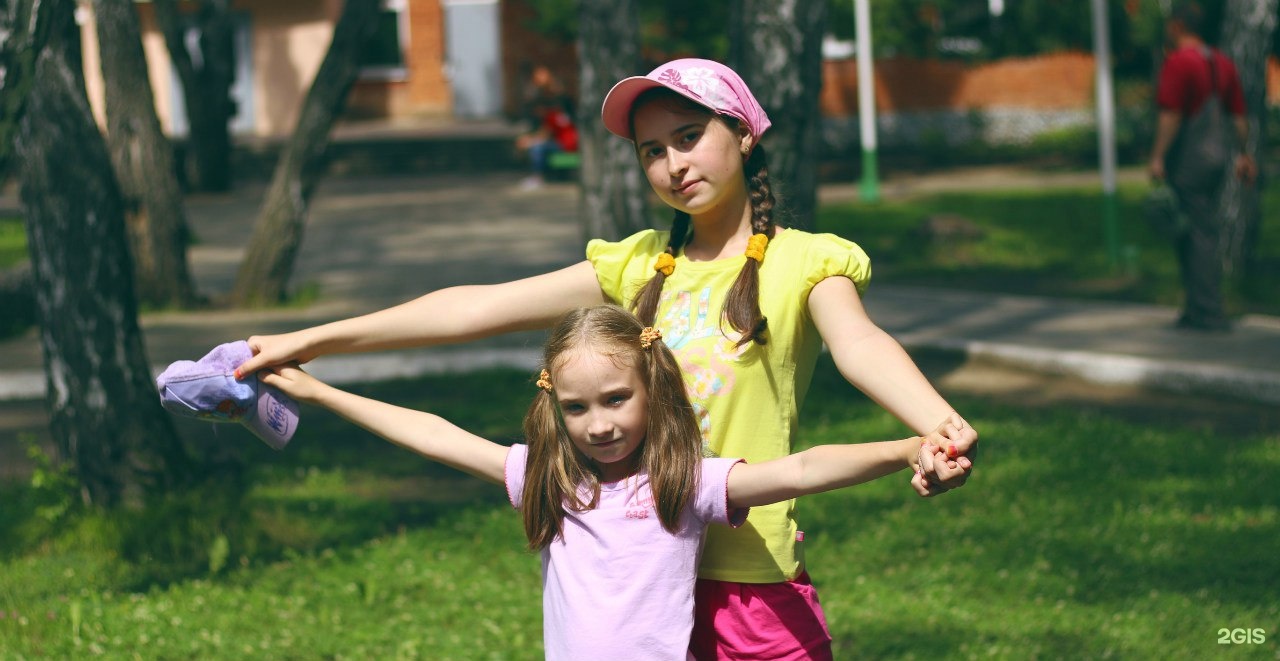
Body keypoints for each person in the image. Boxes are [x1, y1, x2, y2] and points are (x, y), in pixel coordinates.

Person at [235, 57, 977, 659]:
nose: (672, 164)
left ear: (745, 134)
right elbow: (471, 309)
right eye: (652, 150)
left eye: (689, 136)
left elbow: (860, 345)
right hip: (632, 584)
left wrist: (935, 427)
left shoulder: (804, 263)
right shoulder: (637, 266)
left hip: (747, 582)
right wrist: (311, 339)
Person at [258, 305, 961, 660]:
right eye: (577, 407)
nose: (598, 424)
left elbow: (803, 467)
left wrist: (906, 445)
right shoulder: (549, 481)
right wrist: (320, 392)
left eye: (616, 399)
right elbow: (435, 434)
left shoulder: (682, 483)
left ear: (652, 390)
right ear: (553, 405)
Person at [1147, 2, 1257, 332]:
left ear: (1178, 26)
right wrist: (1243, 154)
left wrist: (1158, 155)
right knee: (1195, 228)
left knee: (1197, 232)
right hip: (1218, 155)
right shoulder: (1222, 63)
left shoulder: (1178, 63)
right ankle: (1196, 307)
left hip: (1189, 158)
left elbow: (1171, 115)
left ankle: (1207, 310)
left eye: (1170, 24)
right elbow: (1238, 116)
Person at [514, 65, 578, 189]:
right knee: (536, 146)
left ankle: (538, 177)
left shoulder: (554, 113)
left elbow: (545, 134)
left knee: (537, 148)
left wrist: (530, 142)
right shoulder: (553, 113)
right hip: (564, 143)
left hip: (566, 145)